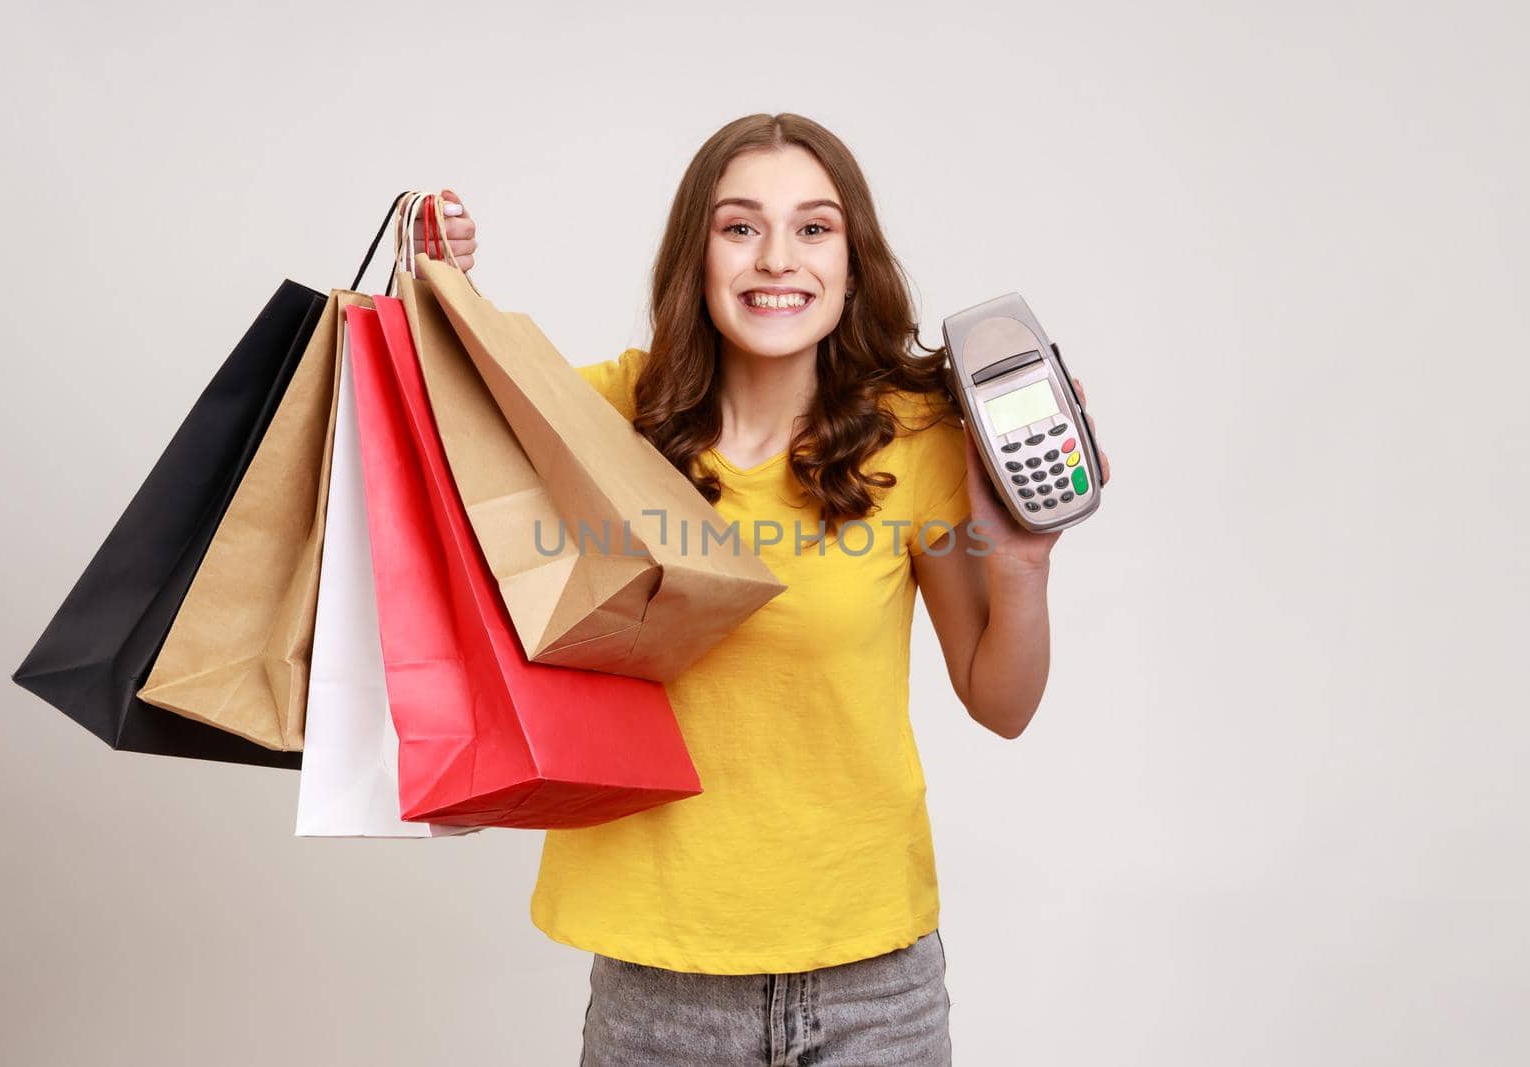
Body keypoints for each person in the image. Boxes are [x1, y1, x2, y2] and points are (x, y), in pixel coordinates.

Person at [417, 113, 1112, 1066]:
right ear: (695, 257)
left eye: (814, 228)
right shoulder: (612, 413)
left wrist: (1025, 565)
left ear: (853, 262)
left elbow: (1000, 703)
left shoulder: (914, 439)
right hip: (657, 987)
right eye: (740, 226)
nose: (776, 258)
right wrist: (442, 285)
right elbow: (446, 422)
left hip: (874, 985)